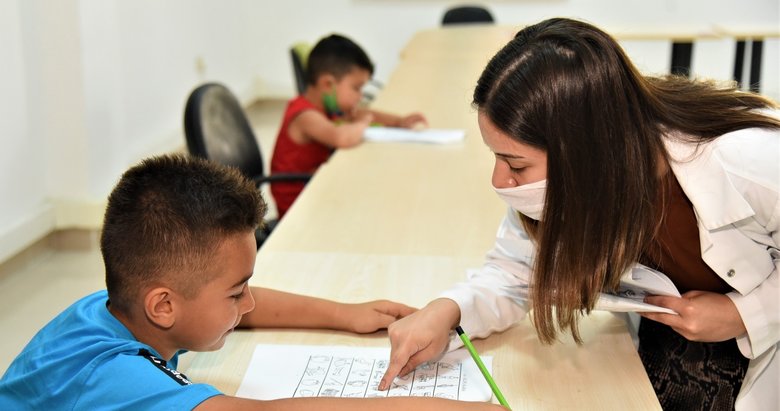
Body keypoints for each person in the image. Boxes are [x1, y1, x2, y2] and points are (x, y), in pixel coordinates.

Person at [378, 17, 780, 411]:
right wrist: (449, 310)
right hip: (672, 342)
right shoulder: (579, 186)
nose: (500, 180)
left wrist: (745, 314)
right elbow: (517, 271)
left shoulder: (747, 160)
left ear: (586, 153)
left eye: (516, 165)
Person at [0, 155, 501, 411]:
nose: (250, 302)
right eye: (237, 291)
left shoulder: (117, 307)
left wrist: (345, 313)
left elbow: (248, 308)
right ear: (164, 306)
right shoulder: (110, 377)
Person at [270, 34, 427, 218]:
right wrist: (362, 124)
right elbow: (342, 137)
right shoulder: (305, 115)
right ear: (328, 84)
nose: (360, 97)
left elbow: (363, 114)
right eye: (356, 88)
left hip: (317, 189)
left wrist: (399, 121)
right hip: (298, 208)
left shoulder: (329, 106)